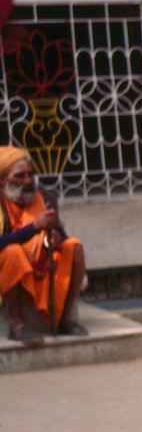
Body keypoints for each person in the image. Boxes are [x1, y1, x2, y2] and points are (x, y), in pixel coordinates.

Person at [0, 145, 88, 343]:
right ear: (3, 180)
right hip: (7, 264)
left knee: (74, 247)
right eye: (20, 176)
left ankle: (64, 320)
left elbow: (60, 232)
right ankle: (17, 326)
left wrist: (56, 239)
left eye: (31, 174)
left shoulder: (44, 197)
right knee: (13, 252)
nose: (28, 180)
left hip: (39, 260)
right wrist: (33, 227)